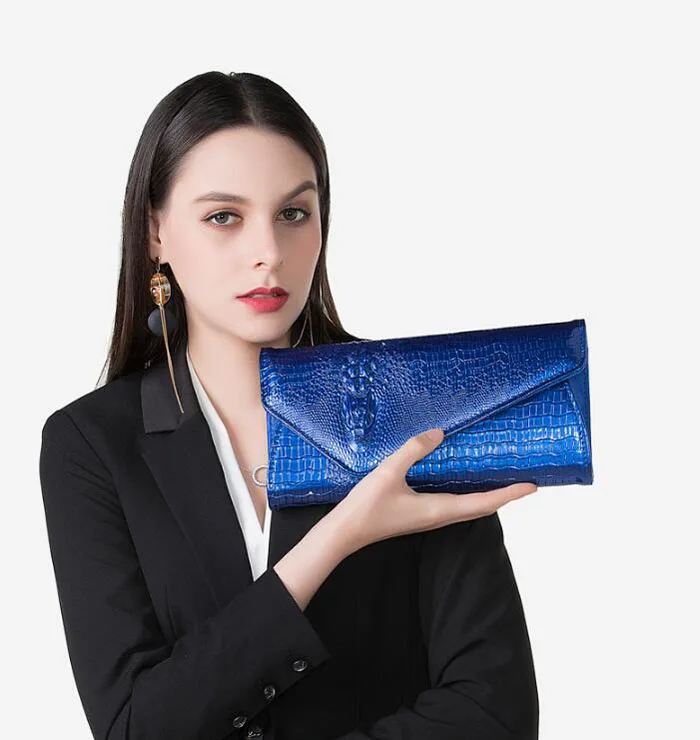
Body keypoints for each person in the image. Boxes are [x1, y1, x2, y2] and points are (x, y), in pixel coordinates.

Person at [38, 70, 539, 740]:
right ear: (156, 231)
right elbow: (134, 727)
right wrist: (336, 539)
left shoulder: (412, 403)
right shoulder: (92, 444)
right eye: (224, 217)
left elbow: (495, 714)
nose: (269, 253)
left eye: (293, 214)